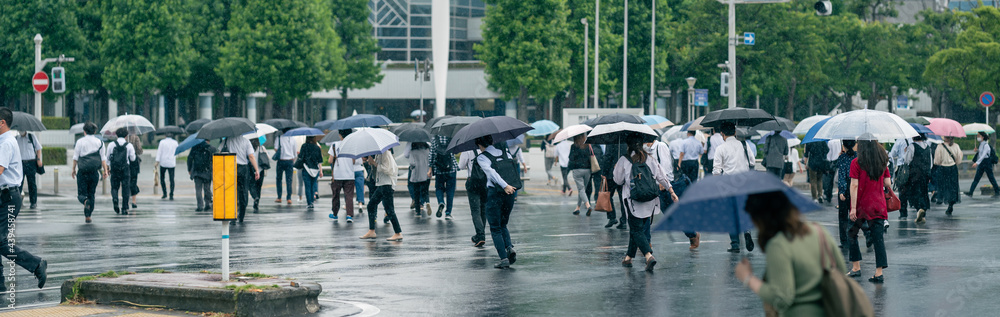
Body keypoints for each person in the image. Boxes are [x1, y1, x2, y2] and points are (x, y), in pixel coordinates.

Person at [734, 191, 846, 316]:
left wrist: (748, 278)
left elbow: (782, 298)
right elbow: (840, 270)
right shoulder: (818, 231)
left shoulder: (778, 245)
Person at [0, 107, 47, 292]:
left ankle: (36, 264)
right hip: (7, 195)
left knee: (0, 241)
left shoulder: (6, 143)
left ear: (2, 122)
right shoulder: (6, 140)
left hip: (8, 197)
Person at [613, 137, 676, 272]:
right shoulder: (650, 158)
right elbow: (661, 176)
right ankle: (628, 257)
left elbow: (618, 181)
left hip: (633, 200)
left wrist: (616, 169)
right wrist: (671, 191)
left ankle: (648, 256)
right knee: (637, 229)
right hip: (649, 199)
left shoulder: (624, 160)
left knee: (636, 229)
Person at [846, 137, 892, 284]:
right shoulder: (882, 162)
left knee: (852, 233)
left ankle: (856, 267)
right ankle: (879, 273)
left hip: (861, 206)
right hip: (878, 204)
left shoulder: (856, 162)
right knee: (878, 239)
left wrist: (853, 208)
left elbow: (854, 185)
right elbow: (887, 183)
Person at [476, 135, 522, 269]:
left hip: (496, 193)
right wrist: (509, 187)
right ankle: (509, 248)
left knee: (495, 227)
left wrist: (504, 185)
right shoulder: (505, 153)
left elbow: (491, 173)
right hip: (510, 193)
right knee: (503, 224)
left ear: (480, 145)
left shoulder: (482, 157)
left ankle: (503, 258)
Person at [712, 122, 756, 253]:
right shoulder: (744, 144)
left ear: (722, 134)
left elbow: (716, 171)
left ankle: (735, 243)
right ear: (735, 132)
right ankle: (746, 230)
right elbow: (752, 161)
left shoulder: (720, 148)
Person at [648, 139, 699, 248]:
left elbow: (666, 165)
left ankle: (692, 234)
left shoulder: (660, 146)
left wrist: (664, 182)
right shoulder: (644, 150)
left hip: (667, 186)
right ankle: (645, 243)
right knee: (646, 214)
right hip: (652, 187)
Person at [359, 149, 402, 241]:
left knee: (389, 209)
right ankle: (371, 231)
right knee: (371, 205)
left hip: (387, 184)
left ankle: (398, 233)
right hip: (381, 184)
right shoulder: (379, 154)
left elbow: (389, 169)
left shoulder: (385, 153)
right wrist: (371, 162)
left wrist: (374, 164)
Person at [220, 136, 260, 224]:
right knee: (243, 192)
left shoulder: (227, 140)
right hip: (243, 168)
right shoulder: (246, 141)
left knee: (231, 192)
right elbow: (251, 156)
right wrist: (256, 169)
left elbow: (219, 152)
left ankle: (232, 217)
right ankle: (241, 216)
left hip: (230, 167)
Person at [73, 123, 107, 223]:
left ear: (84, 131)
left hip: (82, 171)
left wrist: (73, 169)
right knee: (91, 194)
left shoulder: (80, 142)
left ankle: (85, 201)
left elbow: (75, 157)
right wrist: (105, 171)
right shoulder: (100, 142)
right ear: (95, 131)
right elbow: (103, 158)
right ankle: (88, 216)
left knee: (81, 194)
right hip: (94, 172)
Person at [459, 148, 488, 247]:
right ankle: (481, 234)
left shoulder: (467, 149)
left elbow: (461, 166)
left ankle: (480, 235)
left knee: (475, 210)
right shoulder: (487, 148)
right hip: (486, 182)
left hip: (473, 182)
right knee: (483, 209)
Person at [329, 134, 361, 222]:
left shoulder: (335, 145)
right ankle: (349, 215)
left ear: (340, 135)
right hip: (349, 175)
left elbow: (330, 160)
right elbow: (354, 161)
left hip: (337, 175)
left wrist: (336, 157)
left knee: (336, 195)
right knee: (349, 196)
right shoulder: (352, 145)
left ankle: (335, 214)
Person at [901, 134, 932, 223]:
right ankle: (923, 210)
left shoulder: (912, 146)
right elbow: (931, 162)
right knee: (924, 191)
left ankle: (919, 209)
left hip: (914, 174)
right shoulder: (927, 147)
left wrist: (905, 152)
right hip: (925, 174)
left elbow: (907, 160)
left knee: (915, 192)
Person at [107, 128, 136, 215]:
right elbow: (133, 158)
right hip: (125, 169)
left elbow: (108, 158)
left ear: (116, 135)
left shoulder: (111, 145)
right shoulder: (129, 145)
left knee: (114, 187)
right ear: (126, 136)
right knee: (125, 188)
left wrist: (107, 168)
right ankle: (125, 208)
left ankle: (115, 199)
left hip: (114, 168)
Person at [428, 134, 459, 219]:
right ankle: (448, 213)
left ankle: (441, 202)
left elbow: (431, 154)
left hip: (439, 168)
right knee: (450, 191)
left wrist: (430, 169)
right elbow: (456, 151)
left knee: (439, 188)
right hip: (451, 168)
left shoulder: (435, 138)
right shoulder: (451, 138)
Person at [835, 140, 857, 250]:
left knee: (843, 216)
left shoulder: (842, 158)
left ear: (843, 145)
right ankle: (862, 235)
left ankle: (844, 241)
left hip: (846, 186)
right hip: (856, 186)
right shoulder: (858, 157)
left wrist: (842, 191)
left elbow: (842, 175)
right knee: (856, 214)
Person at [601, 143, 629, 229]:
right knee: (622, 197)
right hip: (623, 173)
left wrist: (604, 172)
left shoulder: (611, 141)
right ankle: (623, 220)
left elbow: (608, 157)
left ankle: (612, 217)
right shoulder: (625, 141)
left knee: (607, 195)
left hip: (611, 173)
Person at [934, 136, 962, 215]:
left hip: (943, 168)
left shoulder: (940, 146)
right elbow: (959, 159)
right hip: (953, 168)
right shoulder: (956, 146)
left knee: (943, 185)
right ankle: (951, 204)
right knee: (953, 187)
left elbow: (937, 160)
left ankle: (941, 197)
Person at [965, 131, 999, 197]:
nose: (978, 137)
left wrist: (977, 163)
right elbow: (980, 153)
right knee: (976, 178)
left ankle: (997, 191)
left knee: (991, 177)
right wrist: (977, 150)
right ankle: (970, 192)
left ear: (983, 137)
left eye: (979, 136)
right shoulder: (981, 144)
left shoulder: (986, 145)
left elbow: (983, 155)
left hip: (986, 162)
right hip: (982, 163)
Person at [15, 130, 42, 209]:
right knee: (19, 184)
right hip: (20, 163)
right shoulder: (16, 139)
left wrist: (39, 159)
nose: (21, 131)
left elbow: (39, 148)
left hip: (31, 163)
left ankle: (33, 202)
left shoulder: (31, 137)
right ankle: (18, 203)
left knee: (32, 184)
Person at [568, 134, 593, 215]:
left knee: (581, 189)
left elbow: (571, 158)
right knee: (582, 190)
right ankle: (577, 208)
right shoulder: (587, 145)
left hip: (577, 170)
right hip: (587, 170)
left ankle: (588, 205)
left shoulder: (573, 146)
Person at [188, 140, 215, 211]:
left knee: (198, 190)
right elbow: (215, 160)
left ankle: (200, 206)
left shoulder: (195, 147)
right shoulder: (211, 148)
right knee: (207, 189)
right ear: (208, 140)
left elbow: (190, 158)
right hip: (207, 171)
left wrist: (189, 169)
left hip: (197, 172)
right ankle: (207, 204)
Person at [405, 141, 432, 216]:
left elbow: (412, 163)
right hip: (426, 174)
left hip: (416, 174)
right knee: (425, 190)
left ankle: (418, 211)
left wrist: (411, 167)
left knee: (416, 192)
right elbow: (430, 161)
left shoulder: (413, 152)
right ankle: (427, 202)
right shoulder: (427, 150)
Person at [298, 135, 323, 209]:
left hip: (306, 168)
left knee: (307, 186)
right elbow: (320, 160)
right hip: (315, 169)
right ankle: (312, 201)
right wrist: (321, 170)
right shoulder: (317, 147)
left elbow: (300, 156)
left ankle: (309, 203)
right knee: (313, 186)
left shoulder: (304, 146)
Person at [274, 129, 297, 205]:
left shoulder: (279, 138)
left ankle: (279, 197)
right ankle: (289, 198)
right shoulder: (293, 139)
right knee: (289, 180)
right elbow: (295, 152)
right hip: (290, 161)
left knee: (279, 179)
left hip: (281, 160)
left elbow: (276, 149)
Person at [155, 133, 179, 200]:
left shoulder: (162, 142)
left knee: (162, 178)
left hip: (163, 162)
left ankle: (164, 193)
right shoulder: (175, 142)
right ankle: (171, 194)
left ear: (165, 136)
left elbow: (159, 152)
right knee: (171, 179)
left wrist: (157, 161)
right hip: (171, 162)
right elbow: (177, 151)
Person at [250, 137, 271, 212]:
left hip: (251, 170)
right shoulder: (262, 148)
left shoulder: (249, 148)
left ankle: (255, 197)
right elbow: (268, 157)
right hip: (261, 170)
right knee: (259, 186)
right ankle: (257, 200)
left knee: (251, 185)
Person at [126, 133, 143, 209]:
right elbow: (140, 151)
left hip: (124, 161)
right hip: (134, 162)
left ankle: (126, 201)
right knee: (133, 180)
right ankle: (133, 201)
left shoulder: (123, 138)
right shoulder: (135, 138)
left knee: (125, 181)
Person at [822, 139, 842, 203]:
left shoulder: (830, 142)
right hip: (840, 160)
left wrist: (828, 162)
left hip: (833, 162)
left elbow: (829, 154)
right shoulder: (840, 140)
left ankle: (829, 195)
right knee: (840, 179)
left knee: (830, 180)